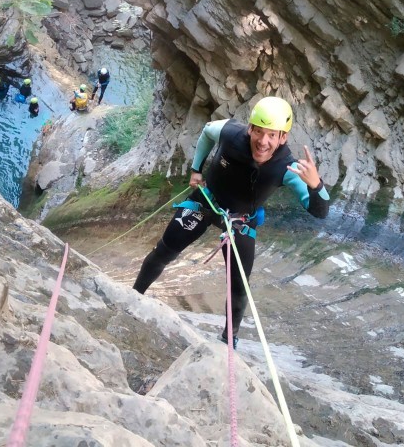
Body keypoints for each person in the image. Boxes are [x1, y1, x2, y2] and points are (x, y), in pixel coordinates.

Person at [132, 97, 330, 349]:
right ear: (250, 128)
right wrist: (196, 169)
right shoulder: (230, 133)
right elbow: (206, 132)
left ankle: (228, 340)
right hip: (205, 203)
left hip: (239, 222)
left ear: (283, 137)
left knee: (238, 287)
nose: (263, 141)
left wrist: (316, 185)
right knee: (164, 251)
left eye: (272, 135)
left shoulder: (287, 168)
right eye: (258, 131)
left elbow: (320, 211)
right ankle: (133, 296)